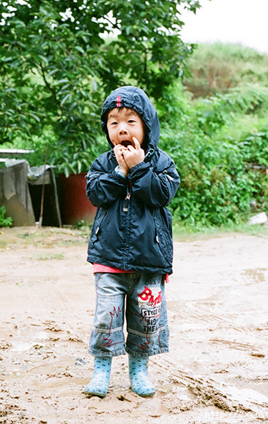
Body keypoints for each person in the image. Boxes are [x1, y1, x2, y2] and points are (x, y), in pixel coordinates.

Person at [83, 86, 180, 398]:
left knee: (146, 320)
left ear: (147, 126)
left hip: (149, 260)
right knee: (106, 316)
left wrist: (138, 169)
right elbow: (95, 194)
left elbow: (160, 195)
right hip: (109, 259)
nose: (121, 128)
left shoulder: (162, 164)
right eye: (114, 122)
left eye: (130, 122)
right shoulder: (102, 164)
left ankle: (139, 369)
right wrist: (119, 172)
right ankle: (101, 370)